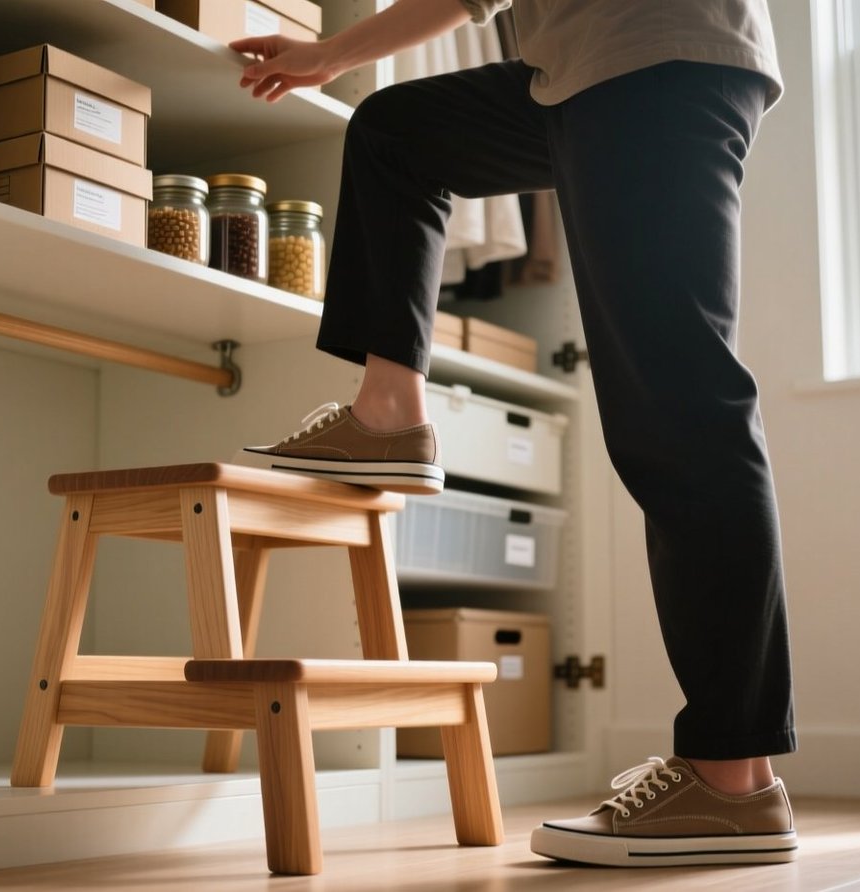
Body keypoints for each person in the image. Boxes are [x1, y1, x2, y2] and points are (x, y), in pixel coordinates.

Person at [227, 0, 798, 868]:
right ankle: (388, 413)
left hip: (654, 61)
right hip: (581, 72)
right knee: (398, 131)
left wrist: (335, 49)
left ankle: (732, 779)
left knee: (682, 415)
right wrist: (336, 57)